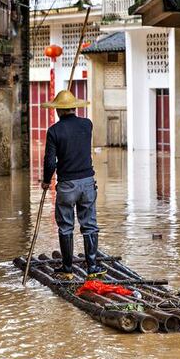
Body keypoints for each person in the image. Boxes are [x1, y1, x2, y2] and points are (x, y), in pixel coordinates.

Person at [40, 89, 105, 280]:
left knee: (66, 226)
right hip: (87, 183)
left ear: (58, 110)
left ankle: (67, 269)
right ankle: (92, 267)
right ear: (74, 107)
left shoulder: (54, 131)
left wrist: (46, 181)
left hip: (67, 185)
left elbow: (50, 161)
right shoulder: (87, 125)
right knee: (90, 225)